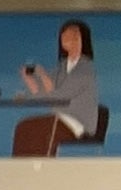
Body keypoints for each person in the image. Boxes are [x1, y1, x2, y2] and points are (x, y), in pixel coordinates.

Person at [12, 18, 101, 158]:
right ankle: (21, 173)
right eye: (66, 36)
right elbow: (44, 91)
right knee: (24, 127)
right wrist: (29, 80)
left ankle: (44, 173)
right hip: (60, 118)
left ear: (84, 39)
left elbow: (59, 96)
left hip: (77, 122)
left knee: (43, 130)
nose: (70, 39)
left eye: (75, 36)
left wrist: (41, 75)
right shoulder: (62, 67)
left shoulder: (85, 69)